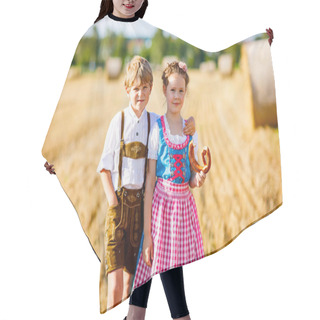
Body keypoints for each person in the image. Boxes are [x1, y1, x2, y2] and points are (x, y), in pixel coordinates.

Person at [97, 55, 196, 309]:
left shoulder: (154, 122)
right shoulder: (118, 122)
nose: (140, 94)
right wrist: (113, 202)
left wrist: (191, 126)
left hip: (143, 209)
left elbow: (174, 123)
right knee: (116, 286)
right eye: (135, 88)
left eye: (144, 88)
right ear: (127, 89)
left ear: (152, 89)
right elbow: (104, 168)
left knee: (132, 283)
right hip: (121, 207)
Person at [125, 61, 206, 320]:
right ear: (164, 90)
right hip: (159, 220)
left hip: (179, 221)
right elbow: (150, 181)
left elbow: (190, 178)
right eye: (172, 90)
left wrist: (199, 178)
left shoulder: (189, 131)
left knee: (158, 310)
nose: (177, 96)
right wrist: (147, 236)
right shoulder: (157, 129)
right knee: (144, 311)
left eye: (181, 91)